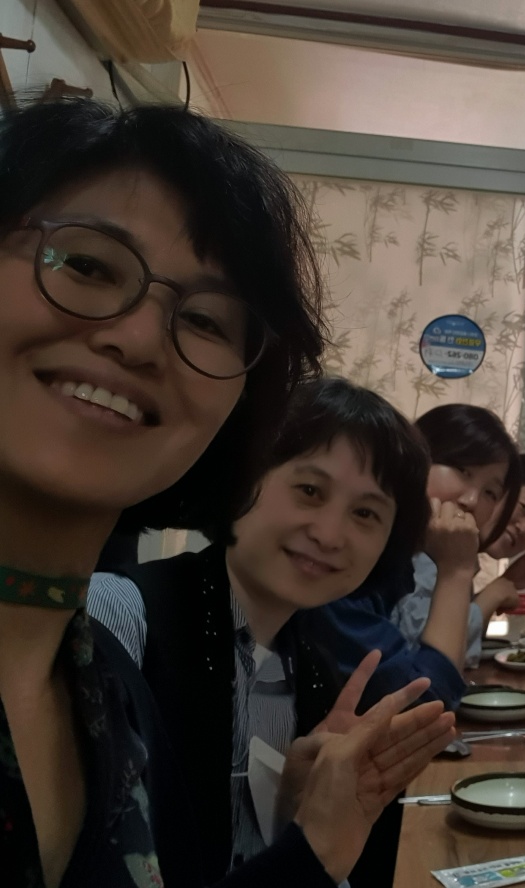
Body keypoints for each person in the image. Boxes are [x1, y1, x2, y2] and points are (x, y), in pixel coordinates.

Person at [0, 99, 442, 887]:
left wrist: (313, 835)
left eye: (204, 320)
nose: (138, 337)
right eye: (89, 266)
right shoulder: (126, 617)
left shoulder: (99, 674)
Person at [86, 376, 451, 882]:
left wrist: (296, 819)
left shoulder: (317, 671)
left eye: (366, 513)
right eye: (309, 490)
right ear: (242, 479)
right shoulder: (121, 615)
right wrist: (313, 848)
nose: (329, 534)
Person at [320, 402, 519, 704]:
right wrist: (456, 571)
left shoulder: (404, 562)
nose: (470, 500)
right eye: (462, 470)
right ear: (417, 457)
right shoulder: (352, 557)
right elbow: (425, 700)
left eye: (490, 492)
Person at [395, 452, 525, 664]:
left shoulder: (460, 556)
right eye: (524, 508)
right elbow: (423, 656)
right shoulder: (434, 550)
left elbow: (453, 640)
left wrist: (508, 581)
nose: (524, 528)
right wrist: (491, 597)